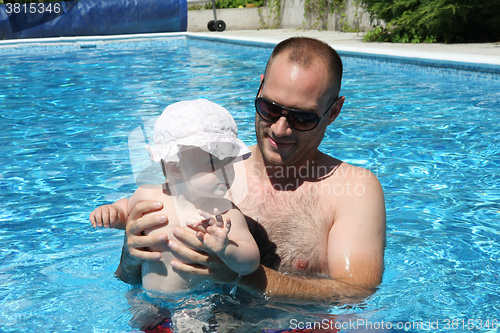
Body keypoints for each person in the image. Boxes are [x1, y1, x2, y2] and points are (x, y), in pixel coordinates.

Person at [114, 37, 386, 302]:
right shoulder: (204, 171)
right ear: (260, 88)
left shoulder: (353, 190)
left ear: (334, 111)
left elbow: (357, 292)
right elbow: (131, 278)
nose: (280, 128)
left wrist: (244, 277)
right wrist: (130, 259)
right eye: (270, 108)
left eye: (302, 117)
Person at [90, 99, 260, 294]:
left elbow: (251, 262)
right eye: (213, 164)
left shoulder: (225, 213)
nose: (226, 172)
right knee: (139, 318)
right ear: (174, 168)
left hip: (198, 302)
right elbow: (126, 212)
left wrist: (227, 249)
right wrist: (112, 212)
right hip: (148, 300)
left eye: (229, 162)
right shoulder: (149, 196)